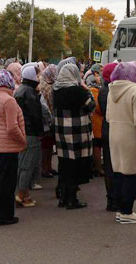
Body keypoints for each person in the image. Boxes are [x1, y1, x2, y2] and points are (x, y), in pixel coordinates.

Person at [107, 62, 136, 224]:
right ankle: (127, 211)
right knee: (132, 174)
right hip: (131, 136)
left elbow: (109, 116)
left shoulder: (112, 90)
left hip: (115, 134)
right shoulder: (135, 91)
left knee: (119, 172)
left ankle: (119, 209)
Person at [53, 62, 95, 209]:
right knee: (76, 166)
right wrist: (86, 89)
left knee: (64, 165)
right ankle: (72, 199)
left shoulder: (56, 90)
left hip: (62, 134)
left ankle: (63, 197)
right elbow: (91, 106)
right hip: (78, 133)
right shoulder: (79, 91)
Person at [0, 69, 26, 227]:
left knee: (1, 183)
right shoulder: (9, 100)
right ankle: (5, 216)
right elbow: (12, 127)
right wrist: (22, 141)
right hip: (9, 146)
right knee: (8, 184)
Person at [14, 64, 43, 208]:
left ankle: (24, 193)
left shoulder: (22, 90)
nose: (39, 77)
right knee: (27, 164)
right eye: (37, 74)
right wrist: (40, 131)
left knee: (24, 164)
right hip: (30, 133)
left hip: (24, 131)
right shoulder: (29, 92)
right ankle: (21, 194)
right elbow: (35, 115)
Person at [98, 62, 117, 211]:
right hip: (112, 129)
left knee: (111, 165)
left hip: (107, 128)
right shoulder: (108, 91)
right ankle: (112, 198)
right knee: (112, 166)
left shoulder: (105, 89)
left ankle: (112, 198)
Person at [38, 65, 57, 178]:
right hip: (46, 120)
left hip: (50, 119)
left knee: (49, 145)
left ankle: (49, 167)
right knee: (45, 146)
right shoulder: (43, 85)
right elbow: (45, 105)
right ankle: (44, 168)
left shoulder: (48, 84)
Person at [86, 64, 104, 177]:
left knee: (96, 146)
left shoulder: (92, 89)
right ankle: (97, 167)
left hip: (96, 122)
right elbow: (98, 107)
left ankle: (95, 166)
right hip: (96, 122)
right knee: (97, 146)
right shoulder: (94, 90)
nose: (99, 78)